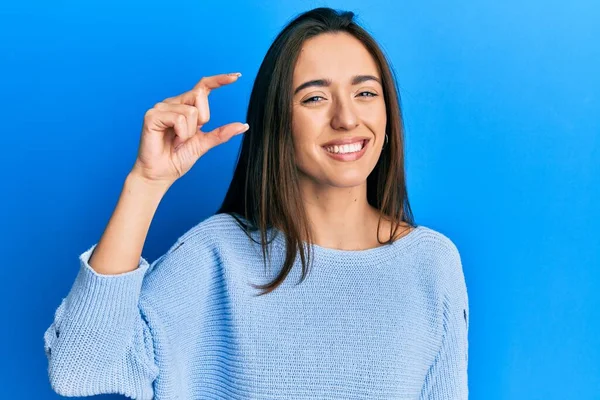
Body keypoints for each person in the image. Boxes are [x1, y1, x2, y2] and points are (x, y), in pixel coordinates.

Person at [43, 7, 469, 399]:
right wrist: (146, 182)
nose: (346, 118)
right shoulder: (217, 256)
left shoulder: (431, 263)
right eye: (315, 98)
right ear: (278, 124)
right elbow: (81, 368)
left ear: (388, 116)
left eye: (365, 94)